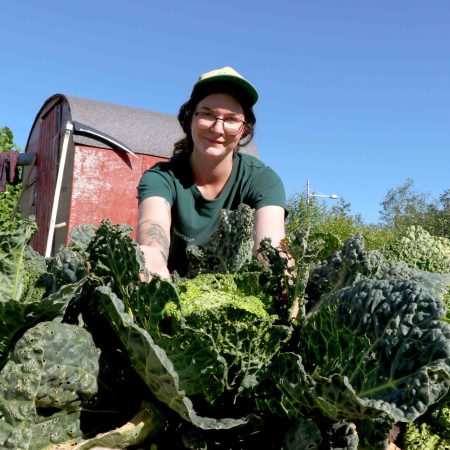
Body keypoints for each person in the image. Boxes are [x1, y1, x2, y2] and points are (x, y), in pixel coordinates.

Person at [137, 66, 287, 279]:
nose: (217, 129)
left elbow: (271, 248)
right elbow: (152, 226)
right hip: (170, 299)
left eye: (231, 119)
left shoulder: (262, 181)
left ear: (244, 129)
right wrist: (152, 257)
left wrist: (281, 278)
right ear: (190, 119)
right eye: (207, 115)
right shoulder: (162, 177)